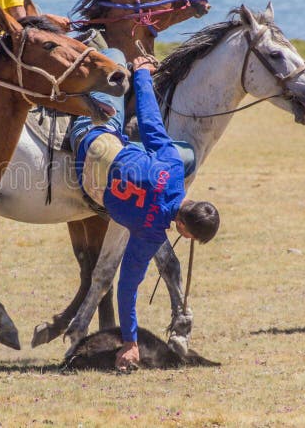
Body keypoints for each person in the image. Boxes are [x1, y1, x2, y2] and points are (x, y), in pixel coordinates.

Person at [69, 49, 220, 371]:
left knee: (110, 53)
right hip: (87, 165)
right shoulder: (150, 235)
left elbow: (151, 120)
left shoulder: (173, 166)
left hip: (98, 136)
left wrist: (141, 73)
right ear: (184, 230)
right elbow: (127, 288)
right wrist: (130, 342)